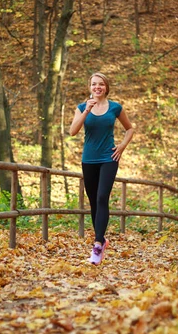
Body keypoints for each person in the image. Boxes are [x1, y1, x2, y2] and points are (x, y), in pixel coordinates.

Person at [69, 72, 134, 265]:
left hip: (109, 158)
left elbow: (129, 128)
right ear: (89, 87)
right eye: (94, 84)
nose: (97, 87)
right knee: (94, 202)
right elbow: (73, 132)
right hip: (89, 159)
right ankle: (102, 239)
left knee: (101, 197)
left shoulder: (115, 108)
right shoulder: (82, 107)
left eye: (101, 84)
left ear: (106, 87)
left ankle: (97, 245)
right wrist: (86, 111)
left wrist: (122, 146)